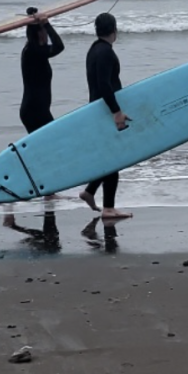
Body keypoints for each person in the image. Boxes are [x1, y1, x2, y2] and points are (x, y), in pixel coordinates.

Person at [79, 12, 132, 219]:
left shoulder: (94, 49)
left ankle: (90, 191)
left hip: (97, 108)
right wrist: (116, 111)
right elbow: (104, 85)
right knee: (113, 158)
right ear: (114, 30)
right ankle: (108, 208)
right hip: (104, 110)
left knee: (109, 155)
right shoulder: (105, 52)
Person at [19, 7, 64, 133]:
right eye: (44, 31)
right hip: (34, 112)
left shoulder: (38, 51)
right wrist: (46, 24)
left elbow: (56, 46)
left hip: (39, 110)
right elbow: (59, 46)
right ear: (39, 33)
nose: (46, 35)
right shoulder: (32, 52)